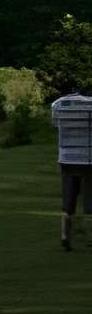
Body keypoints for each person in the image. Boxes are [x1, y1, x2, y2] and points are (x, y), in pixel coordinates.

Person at [55, 73, 92, 251]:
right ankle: (89, 237)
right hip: (87, 158)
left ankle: (65, 236)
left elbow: (54, 123)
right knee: (89, 198)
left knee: (68, 198)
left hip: (67, 158)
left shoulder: (59, 105)